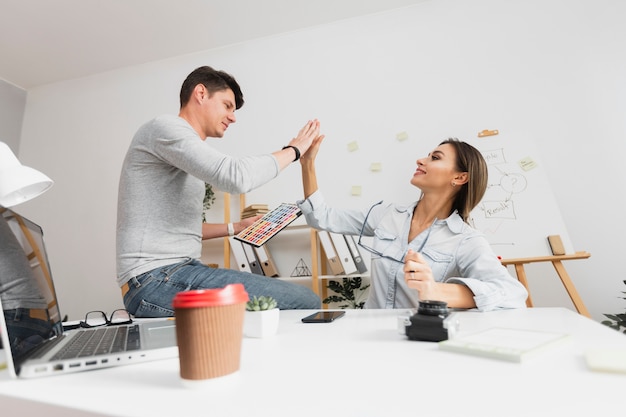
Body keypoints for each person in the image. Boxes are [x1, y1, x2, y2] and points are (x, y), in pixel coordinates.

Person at [116, 65, 321, 317]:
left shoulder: (182, 152)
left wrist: (236, 227)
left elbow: (183, 228)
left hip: (167, 274)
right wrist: (294, 150)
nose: (233, 117)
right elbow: (235, 176)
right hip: (154, 279)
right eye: (227, 105)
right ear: (201, 94)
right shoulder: (164, 128)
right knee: (304, 300)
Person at [297, 136, 528, 311]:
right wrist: (307, 164)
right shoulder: (386, 215)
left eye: (435, 158)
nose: (421, 160)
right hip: (369, 332)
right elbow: (321, 217)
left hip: (417, 340)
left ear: (459, 178)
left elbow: (513, 293)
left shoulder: (465, 240)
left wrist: (436, 290)